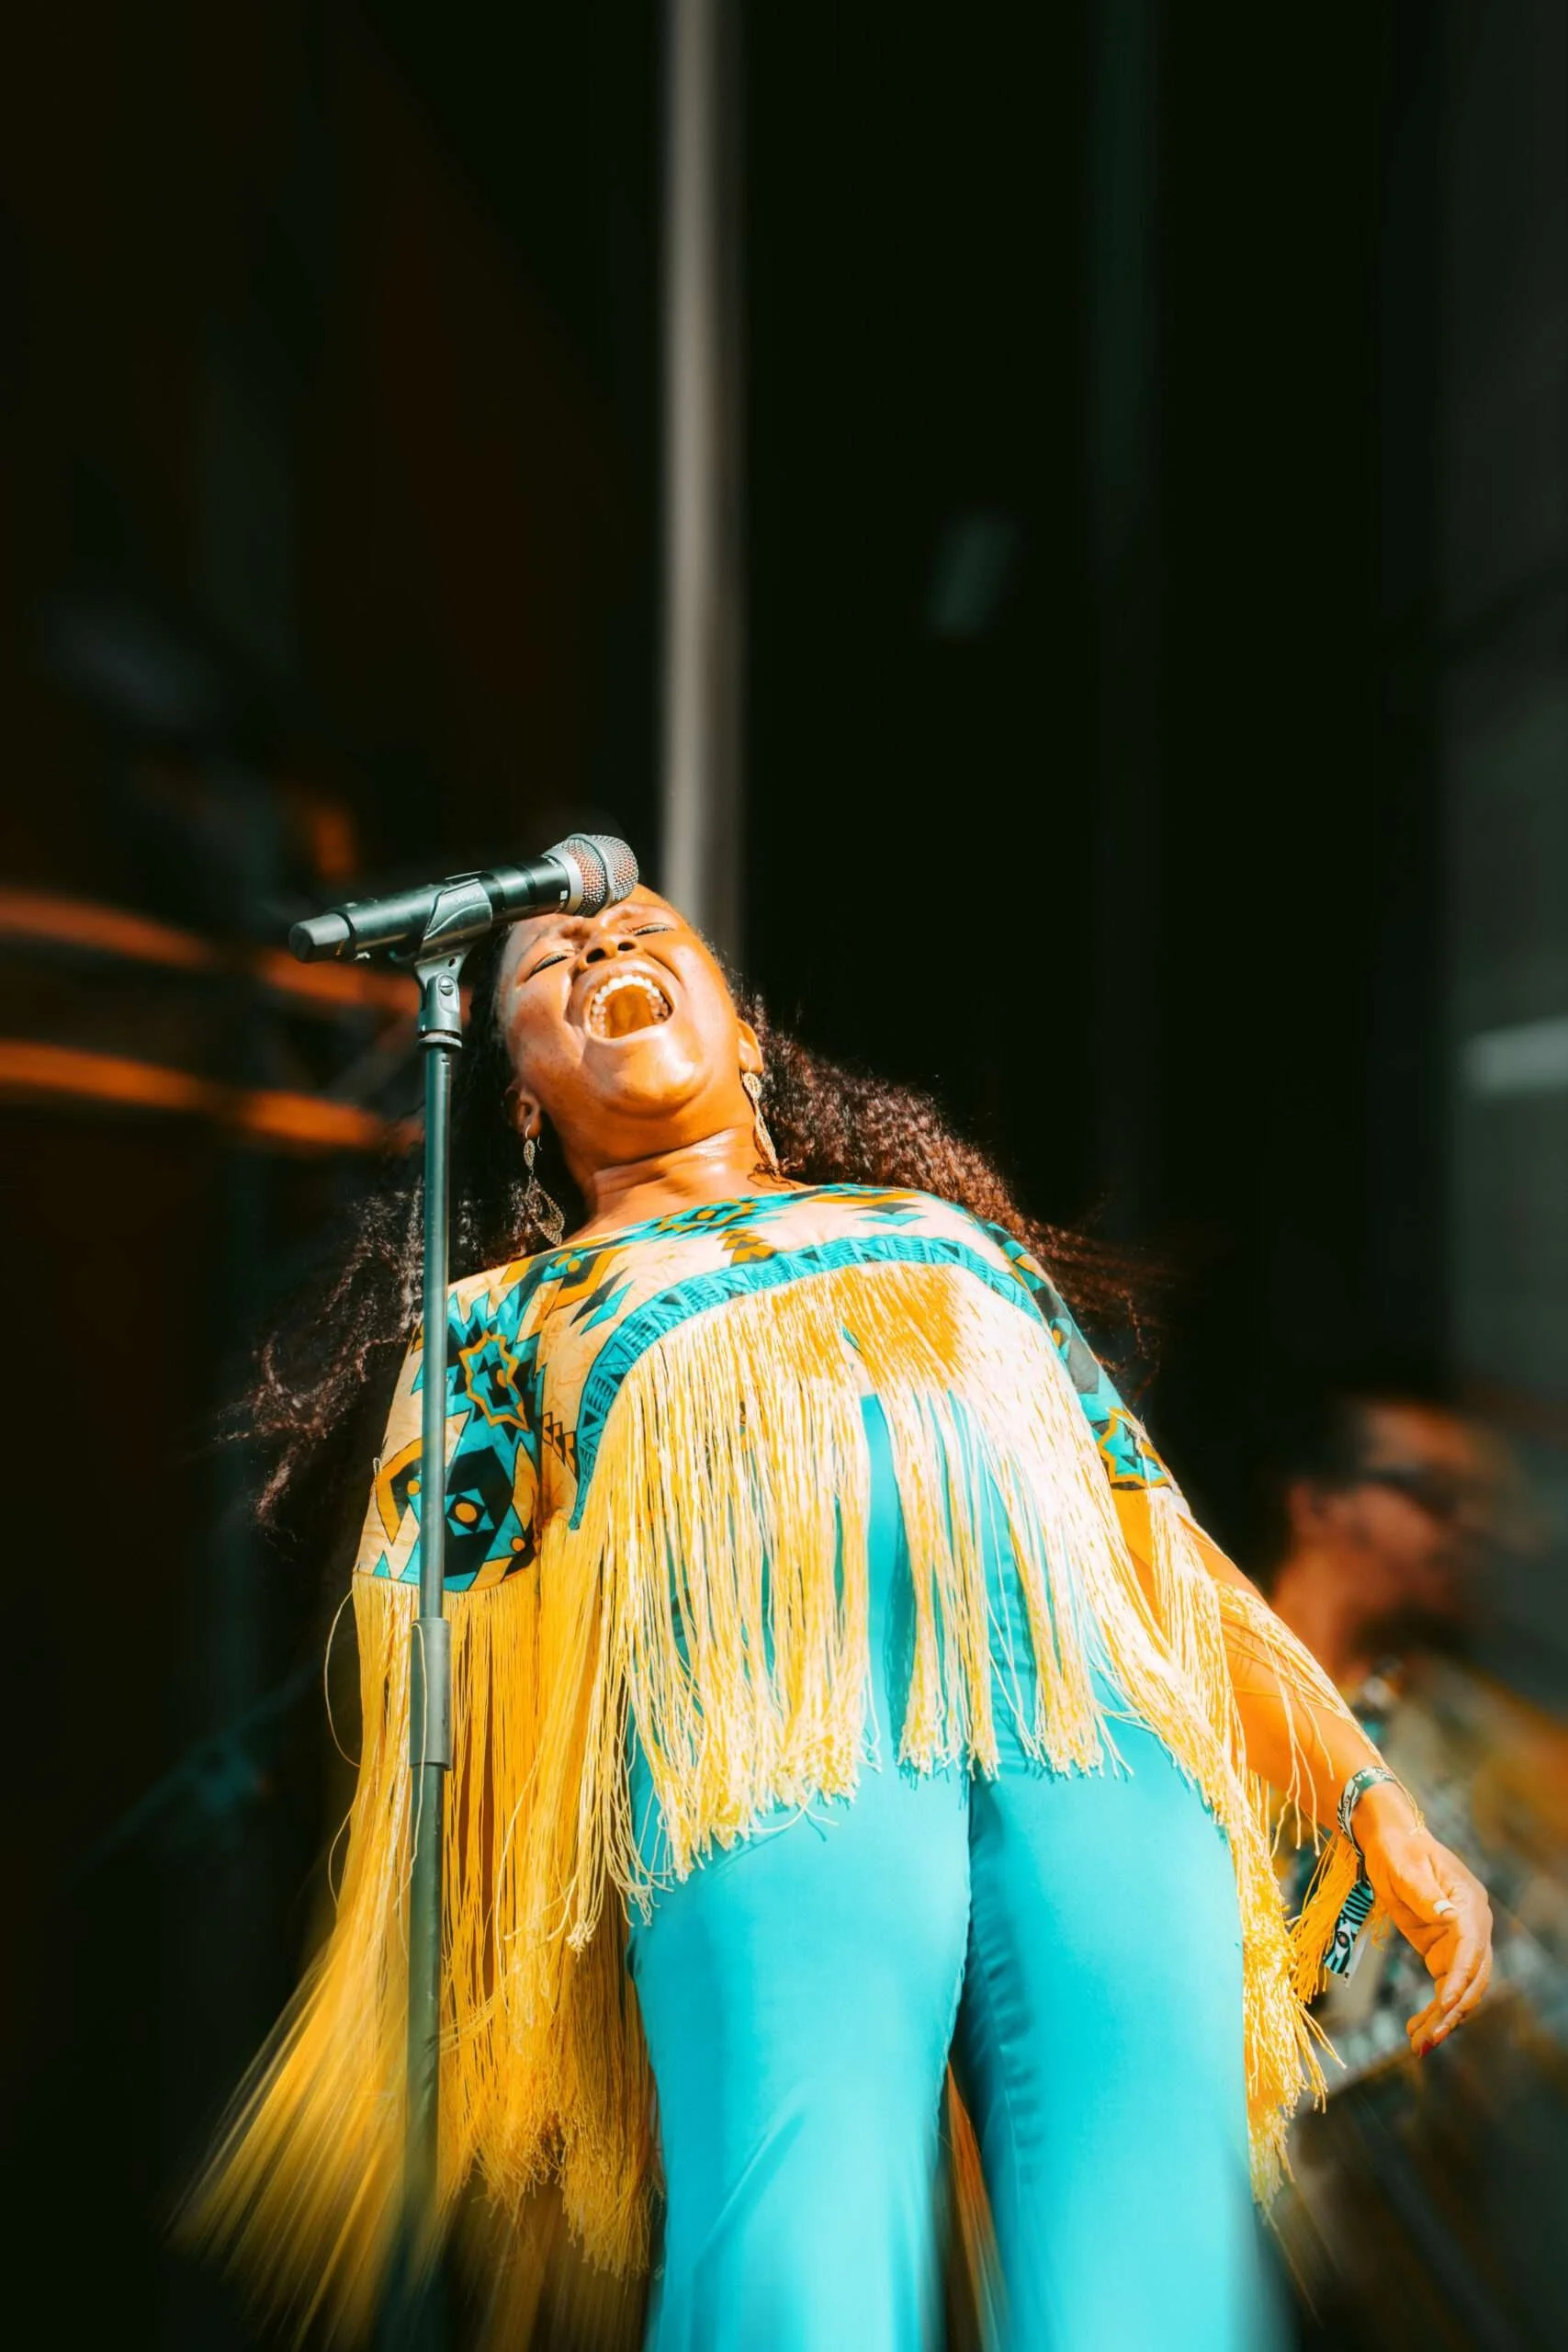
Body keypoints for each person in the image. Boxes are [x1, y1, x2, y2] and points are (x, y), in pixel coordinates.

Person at [192, 889, 1492, 2350]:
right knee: (798, 2253)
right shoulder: (502, 1321)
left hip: (1099, 1744)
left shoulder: (952, 1239)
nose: (603, 948)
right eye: (550, 961)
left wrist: (1362, 1792)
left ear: (747, 1039)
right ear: (522, 1104)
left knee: (1153, 2251)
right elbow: (455, 1677)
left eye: (643, 933)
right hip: (767, 1763)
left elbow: (1157, 1545)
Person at [1256, 1382, 1568, 2344]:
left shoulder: (1476, 1734)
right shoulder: (1193, 1716)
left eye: (1482, 1504)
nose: (1469, 1528)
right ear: (1318, 1504)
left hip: (1429, 2252)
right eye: (1434, 1494)